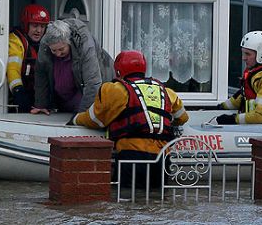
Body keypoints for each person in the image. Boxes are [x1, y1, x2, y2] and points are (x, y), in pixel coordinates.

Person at [70, 50, 188, 187]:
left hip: (132, 156)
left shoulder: (115, 90)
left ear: (118, 71)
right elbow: (182, 117)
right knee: (157, 201)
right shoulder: (166, 91)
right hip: (162, 158)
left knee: (126, 201)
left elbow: (96, 119)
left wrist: (76, 119)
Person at [31, 18, 114, 114]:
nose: (58, 54)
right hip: (65, 100)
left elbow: (92, 83)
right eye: (54, 50)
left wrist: (83, 116)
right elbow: (41, 73)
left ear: (69, 42)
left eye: (61, 49)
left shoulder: (85, 44)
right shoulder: (45, 42)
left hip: (93, 90)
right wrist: (41, 105)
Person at [7, 4, 50, 113]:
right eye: (35, 26)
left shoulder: (49, 42)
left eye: (42, 26)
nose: (39, 30)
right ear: (26, 25)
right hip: (21, 95)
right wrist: (18, 90)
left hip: (41, 97)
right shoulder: (16, 41)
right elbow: (13, 68)